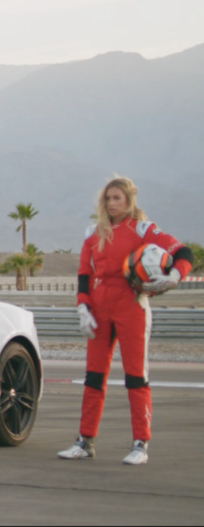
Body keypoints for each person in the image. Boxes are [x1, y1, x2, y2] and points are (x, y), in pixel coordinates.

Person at [57, 176, 193, 465]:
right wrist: (83, 306)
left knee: (136, 377)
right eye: (108, 198)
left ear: (129, 200)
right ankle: (84, 440)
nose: (112, 204)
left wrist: (175, 276)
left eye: (117, 198)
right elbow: (84, 273)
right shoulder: (94, 233)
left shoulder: (143, 229)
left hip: (132, 305)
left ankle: (140, 443)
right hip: (100, 307)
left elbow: (183, 252)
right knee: (94, 377)